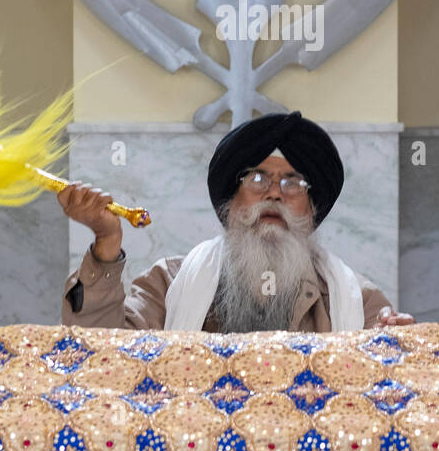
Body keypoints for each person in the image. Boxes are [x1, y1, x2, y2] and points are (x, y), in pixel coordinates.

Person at [59, 111, 414, 332]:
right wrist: (106, 243)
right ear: (231, 203)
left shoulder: (354, 300)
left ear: (311, 210)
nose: (274, 193)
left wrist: (403, 346)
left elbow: (386, 387)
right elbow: (102, 353)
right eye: (257, 179)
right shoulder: (170, 283)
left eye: (293, 183)